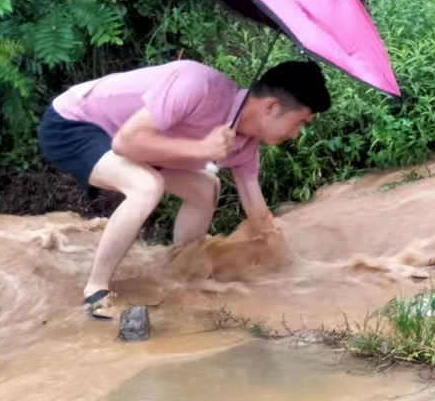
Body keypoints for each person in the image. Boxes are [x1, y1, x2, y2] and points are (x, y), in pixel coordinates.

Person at [37, 58, 332, 319]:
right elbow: (125, 143)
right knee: (147, 186)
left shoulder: (245, 147)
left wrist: (296, 270)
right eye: (300, 122)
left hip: (138, 145)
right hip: (76, 124)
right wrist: (202, 148)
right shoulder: (197, 84)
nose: (296, 134)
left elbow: (259, 217)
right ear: (272, 107)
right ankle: (96, 292)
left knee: (207, 187)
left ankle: (182, 274)